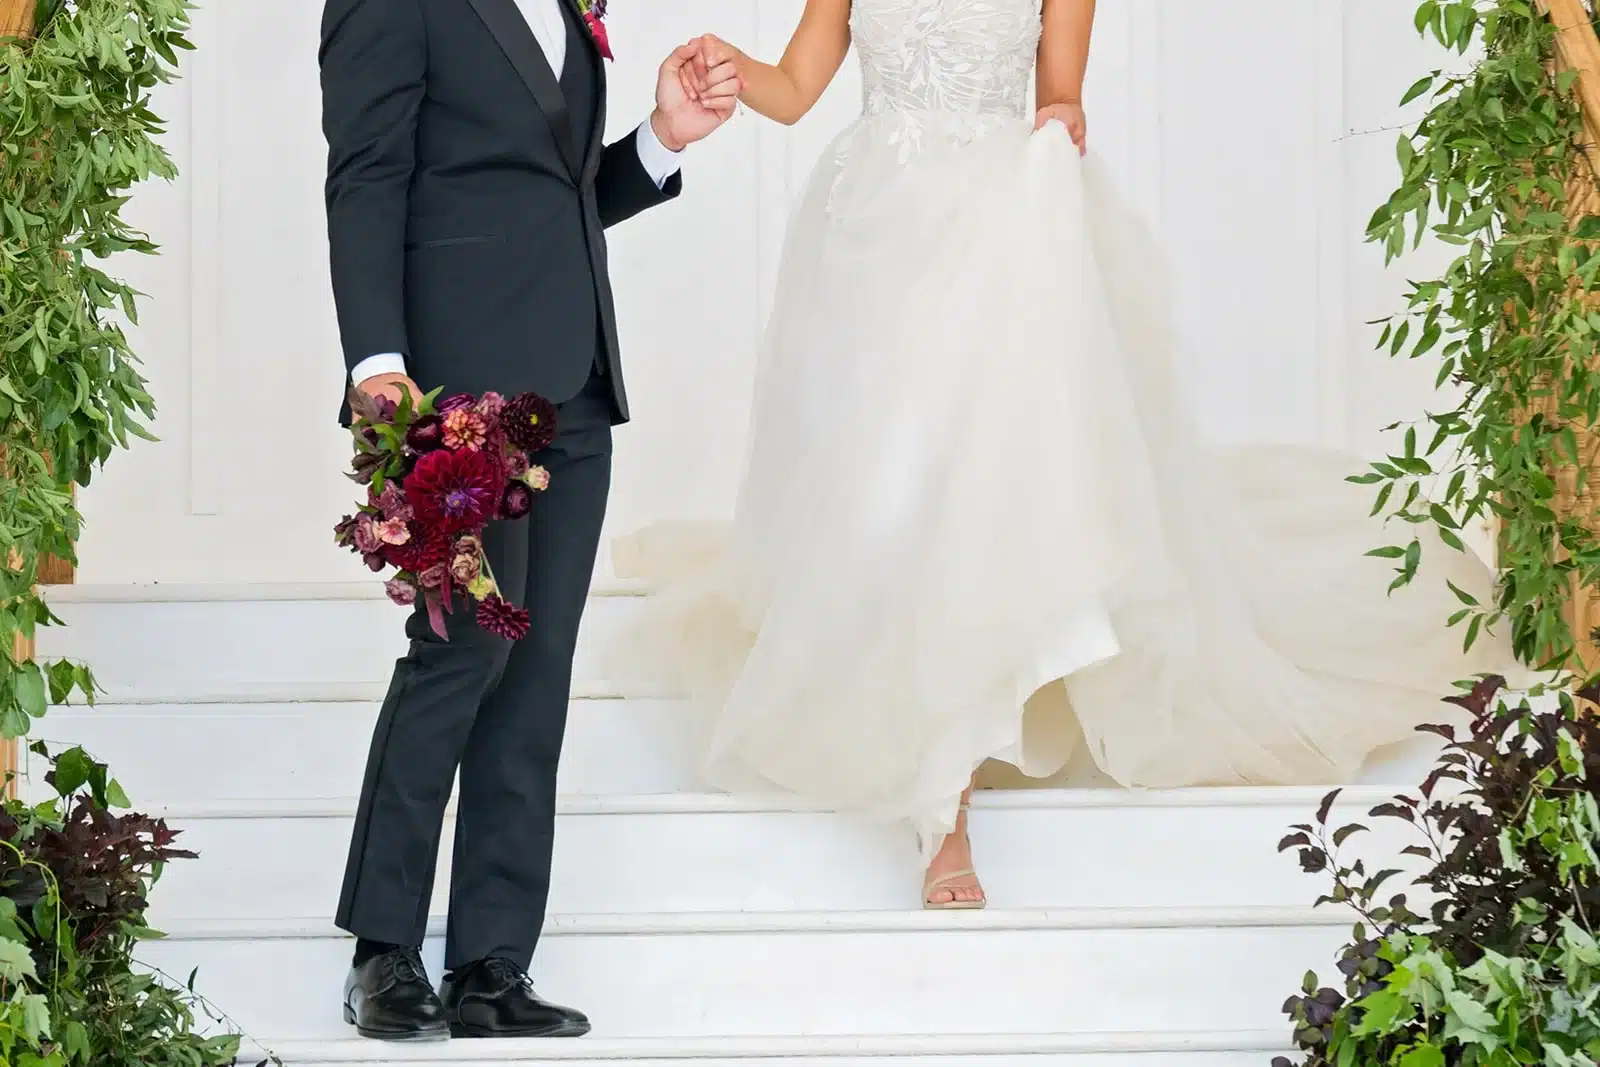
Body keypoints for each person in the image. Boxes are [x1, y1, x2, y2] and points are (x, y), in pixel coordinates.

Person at [612, 0, 1512, 912]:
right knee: (890, 502)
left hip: (1001, 247)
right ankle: (918, 744)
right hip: (872, 244)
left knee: (964, 504)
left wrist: (1065, 120)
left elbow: (1058, 100)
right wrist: (728, 65)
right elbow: (798, 86)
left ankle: (944, 809)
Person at [318, 0, 739, 1042]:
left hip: (575, 385)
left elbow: (555, 195)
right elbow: (366, 172)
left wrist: (659, 140)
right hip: (451, 386)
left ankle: (489, 962)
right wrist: (378, 364)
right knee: (459, 653)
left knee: (535, 666)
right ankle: (382, 949)